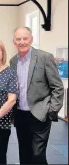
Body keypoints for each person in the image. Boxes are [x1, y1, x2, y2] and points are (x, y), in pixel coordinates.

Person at [10, 27, 64, 164]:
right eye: (18, 39)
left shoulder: (44, 57)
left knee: (37, 154)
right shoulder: (13, 61)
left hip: (40, 114)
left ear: (31, 39)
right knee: (24, 152)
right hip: (20, 114)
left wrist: (52, 110)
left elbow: (57, 87)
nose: (22, 42)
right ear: (14, 42)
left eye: (25, 38)